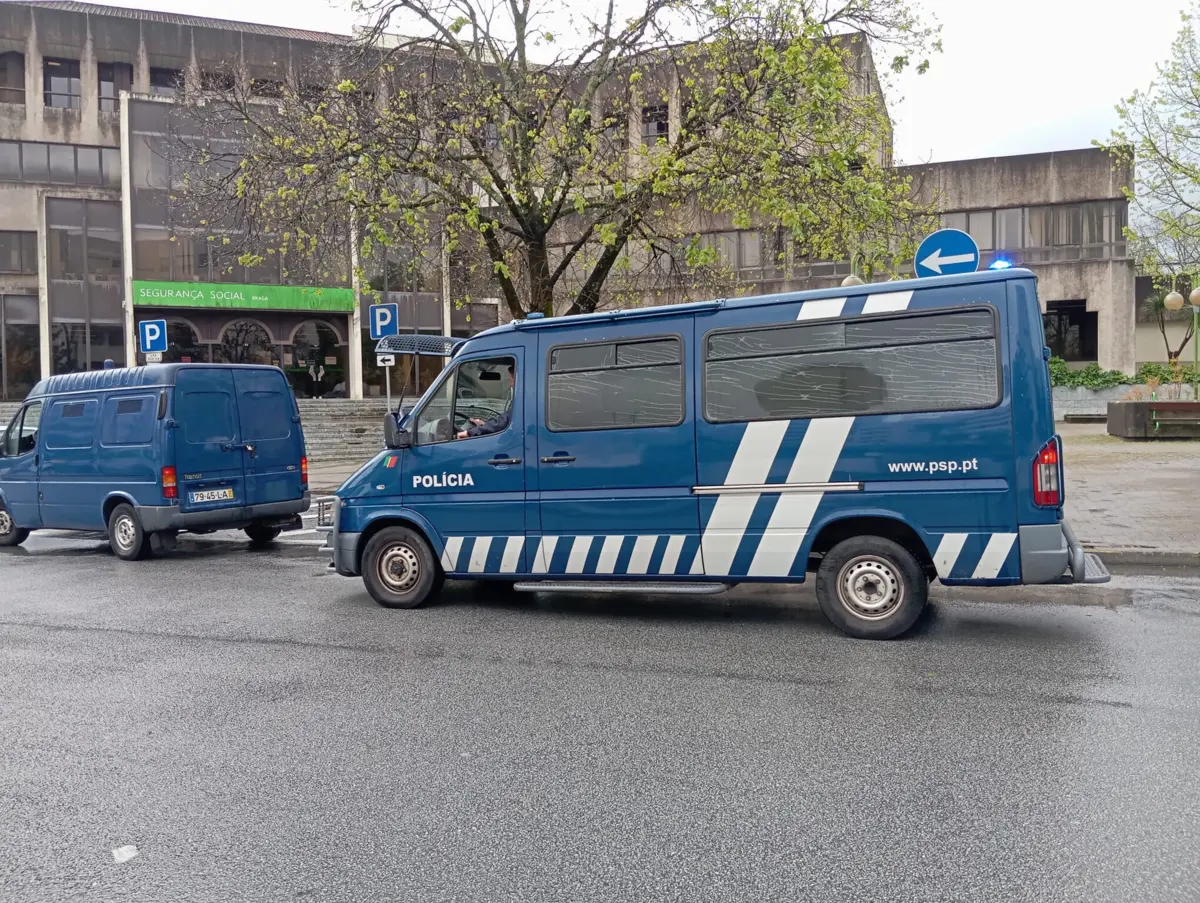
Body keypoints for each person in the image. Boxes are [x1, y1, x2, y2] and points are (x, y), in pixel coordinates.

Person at [457, 365, 514, 439]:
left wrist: (470, 433)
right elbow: (501, 422)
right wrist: (484, 424)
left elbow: (503, 422)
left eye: (511, 380)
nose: (510, 385)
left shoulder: (523, 403)